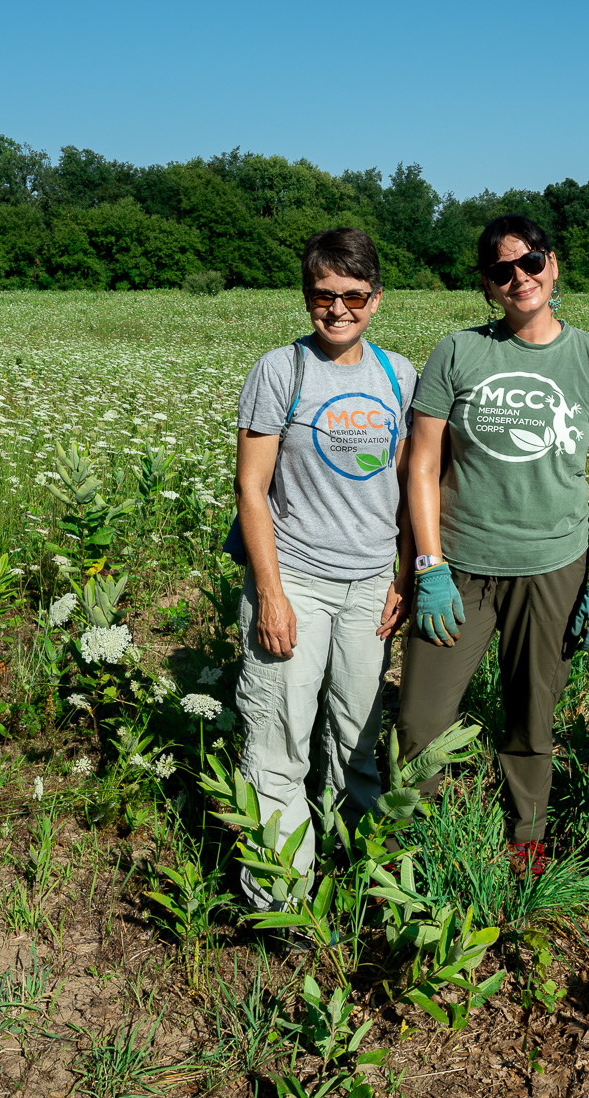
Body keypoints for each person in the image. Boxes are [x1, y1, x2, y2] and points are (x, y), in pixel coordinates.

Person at [399, 215, 589, 874]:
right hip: (460, 566)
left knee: (533, 716)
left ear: (553, 265)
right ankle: (423, 841)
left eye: (530, 262)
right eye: (503, 271)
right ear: (488, 286)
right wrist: (429, 566)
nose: (520, 278)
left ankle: (525, 836)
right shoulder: (458, 352)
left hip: (552, 567)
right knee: (421, 719)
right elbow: (421, 464)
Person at [231, 227, 417, 906]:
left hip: (371, 586)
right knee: (279, 745)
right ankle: (280, 902)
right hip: (296, 581)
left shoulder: (400, 375)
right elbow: (252, 488)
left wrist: (404, 575)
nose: (338, 309)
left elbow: (410, 485)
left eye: (353, 295)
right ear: (307, 295)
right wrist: (271, 596)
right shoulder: (282, 371)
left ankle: (359, 883)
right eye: (323, 295)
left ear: (376, 297)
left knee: (357, 741)